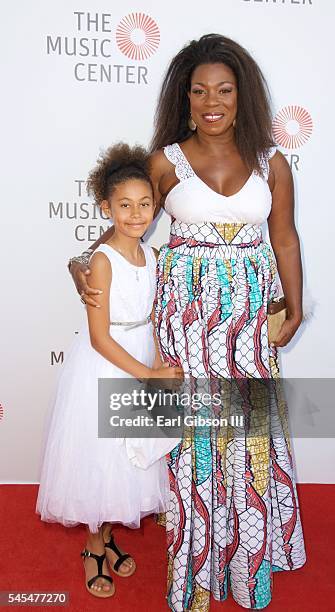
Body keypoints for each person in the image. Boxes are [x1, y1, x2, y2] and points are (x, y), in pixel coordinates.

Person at [69, 35, 306, 611]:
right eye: (199, 90)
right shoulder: (164, 163)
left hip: (249, 322)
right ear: (185, 96)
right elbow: (128, 226)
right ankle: (197, 567)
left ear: (242, 94)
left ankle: (247, 563)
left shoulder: (269, 162)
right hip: (186, 320)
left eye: (223, 89)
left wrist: (295, 305)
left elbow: (284, 237)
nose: (211, 101)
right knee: (195, 441)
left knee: (248, 437)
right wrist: (81, 262)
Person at [36, 143, 183, 599]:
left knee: (125, 463)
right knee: (98, 461)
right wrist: (148, 374)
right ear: (106, 207)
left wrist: (159, 362)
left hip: (141, 358)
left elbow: (152, 317)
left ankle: (109, 535)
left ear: (156, 207)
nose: (136, 214)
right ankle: (93, 549)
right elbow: (100, 338)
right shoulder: (102, 261)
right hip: (106, 367)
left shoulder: (153, 257)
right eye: (124, 205)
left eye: (144, 204)